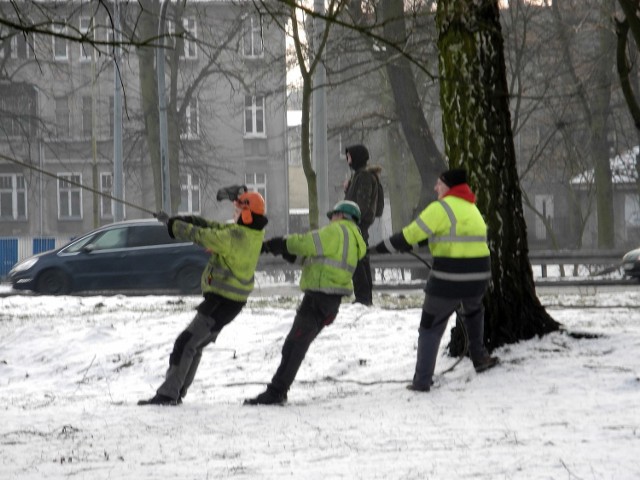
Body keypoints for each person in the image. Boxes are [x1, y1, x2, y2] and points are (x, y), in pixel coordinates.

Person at [369, 168, 499, 392]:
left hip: (449, 277)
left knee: (430, 326)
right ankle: (480, 358)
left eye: (439, 183)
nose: (435, 187)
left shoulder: (441, 208)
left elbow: (409, 235)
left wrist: (378, 249)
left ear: (449, 186)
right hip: (479, 276)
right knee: (473, 312)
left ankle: (422, 380)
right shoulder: (471, 208)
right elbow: (437, 235)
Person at [138, 188, 268, 406]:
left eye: (238, 210)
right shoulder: (250, 233)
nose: (234, 214)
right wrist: (181, 219)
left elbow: (201, 235)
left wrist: (173, 225)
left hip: (222, 302)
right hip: (228, 303)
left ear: (247, 215)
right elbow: (211, 226)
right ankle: (175, 392)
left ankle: (168, 394)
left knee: (185, 343)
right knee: (194, 346)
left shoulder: (235, 237)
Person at [244, 200, 367, 405]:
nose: (331, 219)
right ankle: (278, 390)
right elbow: (314, 259)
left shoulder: (337, 231)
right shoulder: (353, 239)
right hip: (330, 302)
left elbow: (305, 242)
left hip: (317, 298)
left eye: (333, 215)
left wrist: (280, 243)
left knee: (294, 346)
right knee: (296, 345)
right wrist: (285, 252)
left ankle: (276, 392)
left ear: (342, 216)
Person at [344, 144, 381, 306]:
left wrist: (352, 220)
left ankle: (363, 298)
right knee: (361, 260)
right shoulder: (361, 176)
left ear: (356, 158)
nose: (347, 160)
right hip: (357, 225)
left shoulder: (364, 177)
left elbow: (361, 205)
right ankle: (364, 298)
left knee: (358, 261)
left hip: (357, 226)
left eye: (349, 157)